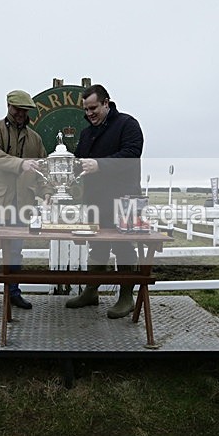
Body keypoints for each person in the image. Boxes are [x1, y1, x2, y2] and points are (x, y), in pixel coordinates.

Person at [66, 84, 144, 318]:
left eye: (93, 108)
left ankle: (126, 298)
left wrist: (100, 165)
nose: (89, 114)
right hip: (96, 200)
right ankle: (91, 292)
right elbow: (81, 163)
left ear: (106, 103)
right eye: (86, 110)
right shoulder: (86, 132)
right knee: (97, 245)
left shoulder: (128, 124)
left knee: (124, 247)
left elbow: (132, 154)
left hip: (126, 199)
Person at [0, 90, 53, 318]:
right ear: (8, 106)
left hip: (22, 206)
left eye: (24, 110)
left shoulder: (35, 139)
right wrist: (21, 164)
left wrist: (47, 191)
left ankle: (13, 292)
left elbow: (42, 171)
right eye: (16, 109)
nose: (20, 114)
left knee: (16, 253)